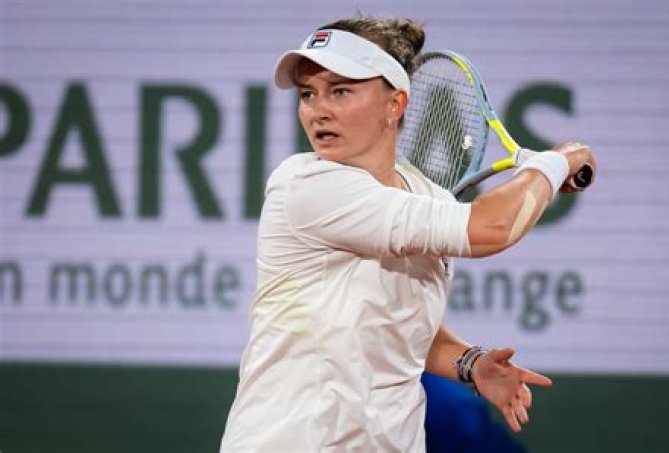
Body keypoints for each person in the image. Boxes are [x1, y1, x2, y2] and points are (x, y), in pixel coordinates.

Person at [220, 16, 596, 452]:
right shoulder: (303, 185)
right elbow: (493, 228)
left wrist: (470, 363)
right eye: (308, 93)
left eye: (340, 91)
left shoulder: (425, 194)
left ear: (394, 104)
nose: (318, 110)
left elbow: (399, 326)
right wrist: (558, 161)